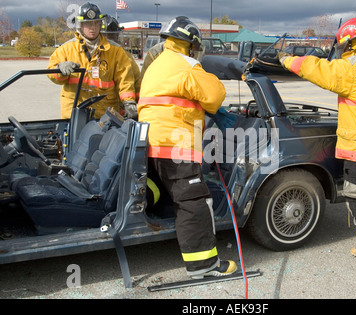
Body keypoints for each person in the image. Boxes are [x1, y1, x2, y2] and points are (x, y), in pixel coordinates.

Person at [279, 17, 356, 259]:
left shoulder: (351, 68)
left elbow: (318, 70)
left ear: (348, 44)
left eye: (340, 45)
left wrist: (287, 59)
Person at [138, 16, 237, 278]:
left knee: (162, 187)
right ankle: (203, 265)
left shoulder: (157, 64)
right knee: (194, 200)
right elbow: (214, 96)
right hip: (175, 143)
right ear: (191, 44)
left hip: (152, 142)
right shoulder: (187, 65)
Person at [47, 2, 137, 120]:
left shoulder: (115, 51)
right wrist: (60, 70)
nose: (93, 27)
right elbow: (51, 73)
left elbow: (125, 79)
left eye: (96, 23)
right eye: (88, 24)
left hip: (105, 115)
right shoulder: (66, 49)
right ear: (80, 25)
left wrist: (129, 102)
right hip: (75, 114)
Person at [101, 14, 141, 107]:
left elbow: (137, 84)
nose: (110, 40)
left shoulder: (127, 57)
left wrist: (135, 105)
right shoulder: (92, 55)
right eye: (106, 36)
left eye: (113, 36)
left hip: (120, 110)